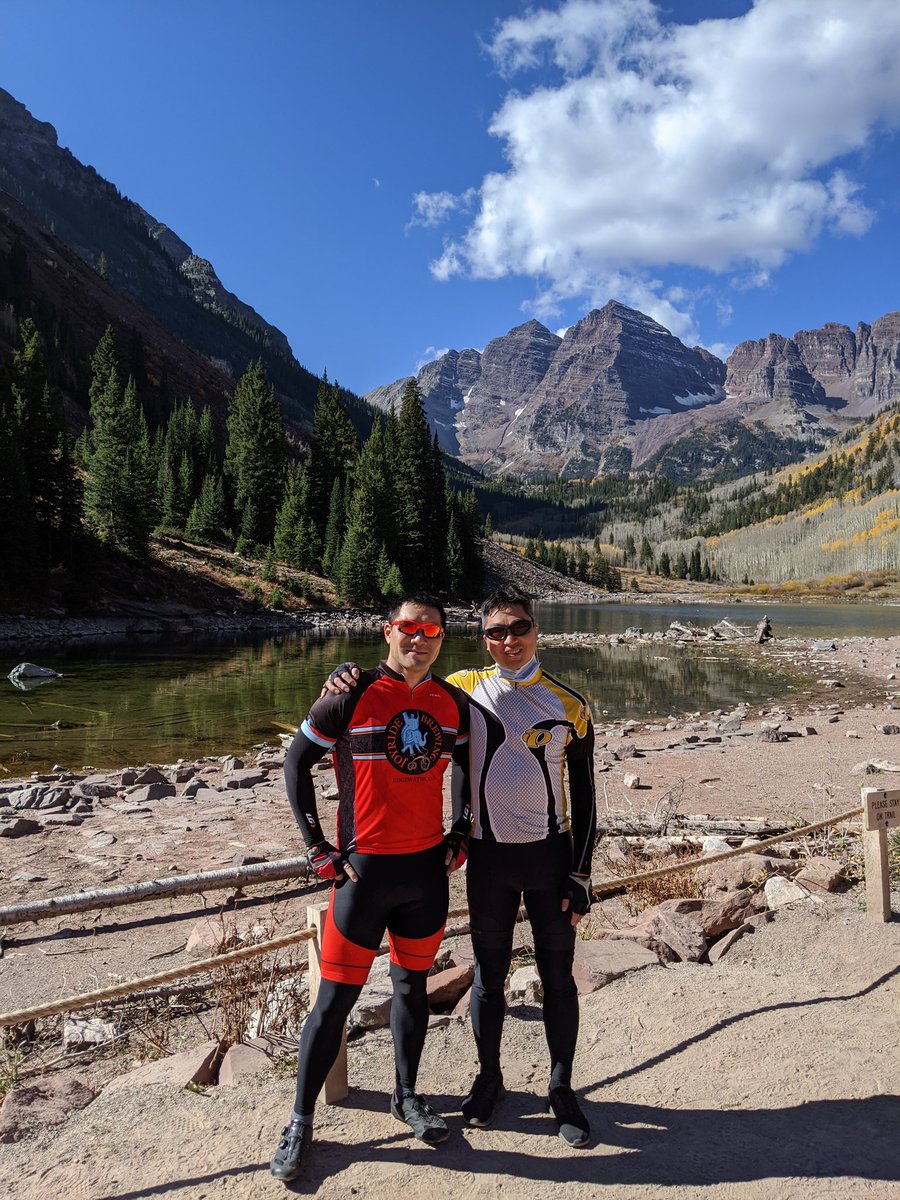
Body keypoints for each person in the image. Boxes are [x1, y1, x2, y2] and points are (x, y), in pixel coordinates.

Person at [324, 588, 597, 1148]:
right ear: (483, 639)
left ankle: (561, 1088)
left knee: (558, 976)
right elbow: (402, 680)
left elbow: (588, 795)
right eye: (496, 632)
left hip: (550, 856)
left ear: (536, 630)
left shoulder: (569, 703)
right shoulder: (462, 689)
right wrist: (343, 677)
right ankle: (489, 1078)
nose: (509, 640)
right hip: (488, 857)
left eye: (518, 628)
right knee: (489, 979)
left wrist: (581, 872)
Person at [269, 593, 472, 1183]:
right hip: (362, 876)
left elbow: (465, 763)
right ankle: (300, 1120)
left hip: (425, 876)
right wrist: (317, 849)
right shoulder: (349, 694)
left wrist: (460, 831)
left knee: (412, 989)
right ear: (389, 631)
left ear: (441, 638)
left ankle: (406, 1096)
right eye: (409, 628)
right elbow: (295, 764)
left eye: (431, 631)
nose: (419, 639)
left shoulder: (451, 702)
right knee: (334, 1002)